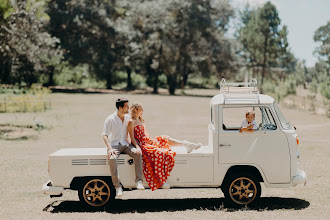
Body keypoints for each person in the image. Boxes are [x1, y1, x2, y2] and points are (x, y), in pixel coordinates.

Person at [128, 102, 202, 191]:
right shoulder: (131, 121)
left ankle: (187, 145)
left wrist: (151, 140)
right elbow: (131, 137)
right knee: (160, 153)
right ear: (136, 110)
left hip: (149, 142)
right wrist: (137, 147)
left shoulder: (140, 119)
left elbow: (145, 135)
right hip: (143, 145)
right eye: (141, 109)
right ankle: (161, 181)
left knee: (164, 137)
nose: (143, 111)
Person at [102, 98, 144, 198]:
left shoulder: (128, 118)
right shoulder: (110, 119)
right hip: (114, 145)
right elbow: (104, 135)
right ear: (120, 107)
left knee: (138, 153)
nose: (129, 108)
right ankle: (117, 186)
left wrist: (137, 147)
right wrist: (110, 148)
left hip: (126, 144)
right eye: (126, 106)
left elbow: (133, 133)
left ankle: (139, 181)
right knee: (112, 158)